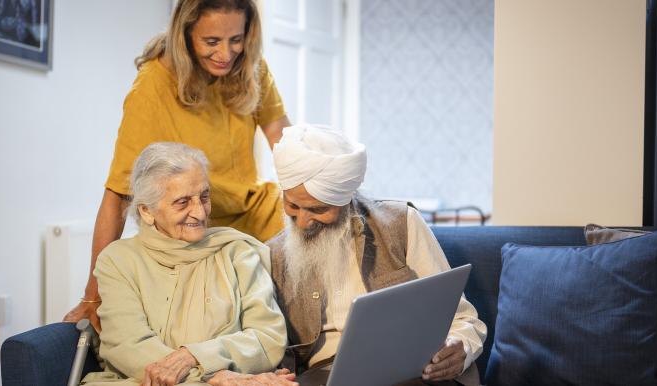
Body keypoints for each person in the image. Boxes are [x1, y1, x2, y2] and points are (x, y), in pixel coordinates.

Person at [65, 0, 291, 331]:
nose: (226, 53)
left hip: (252, 212)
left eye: (236, 39)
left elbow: (281, 136)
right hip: (193, 228)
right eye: (211, 42)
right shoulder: (153, 85)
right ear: (184, 35)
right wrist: (92, 295)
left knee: (328, 235)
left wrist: (311, 190)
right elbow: (118, 193)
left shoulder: (251, 67)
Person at [266, 125, 488, 386]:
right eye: (292, 205)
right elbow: (266, 343)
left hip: (410, 371)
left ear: (345, 198)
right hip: (322, 377)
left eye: (318, 209)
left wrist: (460, 346)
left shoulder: (401, 223)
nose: (302, 222)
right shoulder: (273, 254)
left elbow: (462, 318)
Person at [81, 142, 297, 386]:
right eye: (182, 202)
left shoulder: (237, 251)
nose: (200, 213)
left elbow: (268, 338)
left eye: (204, 197)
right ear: (147, 211)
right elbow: (130, 348)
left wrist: (194, 356)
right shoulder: (117, 261)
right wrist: (214, 377)